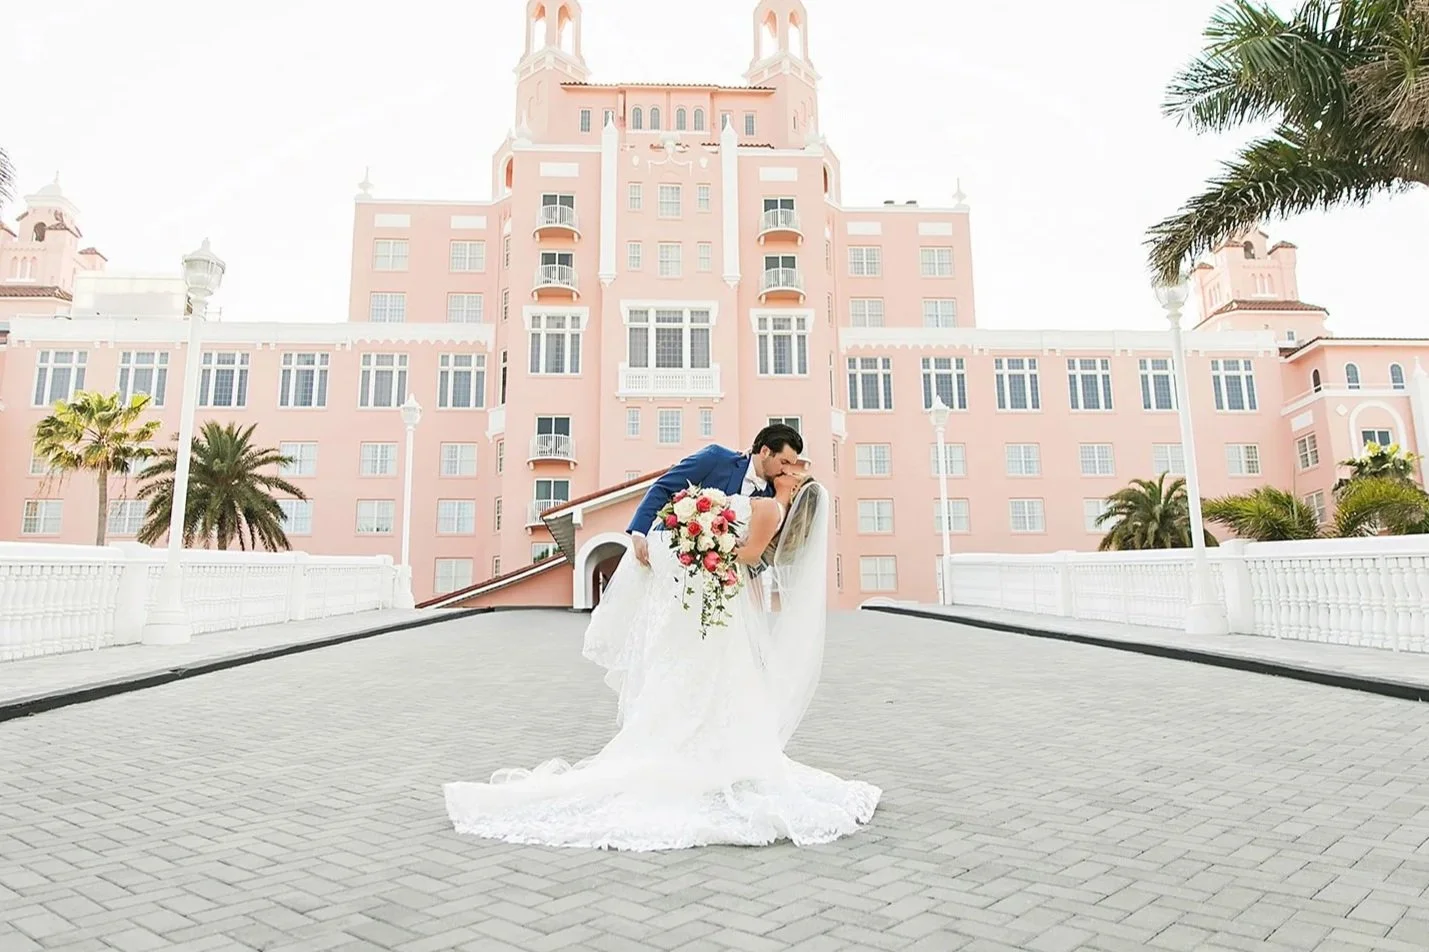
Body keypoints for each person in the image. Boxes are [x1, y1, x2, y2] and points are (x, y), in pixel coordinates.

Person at [444, 471, 881, 851]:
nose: (788, 468)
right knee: (709, 679)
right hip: (719, 603)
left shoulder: (770, 507)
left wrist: (704, 544)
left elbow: (746, 557)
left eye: (792, 468)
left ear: (796, 486)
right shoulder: (768, 504)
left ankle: (694, 755)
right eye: (787, 461)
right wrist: (702, 536)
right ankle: (709, 755)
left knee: (704, 678)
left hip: (717, 599)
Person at [625, 423, 803, 568]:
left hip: (719, 585)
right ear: (765, 452)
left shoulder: (773, 498)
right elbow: (664, 487)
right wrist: (639, 532)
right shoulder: (716, 458)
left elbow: (761, 554)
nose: (786, 470)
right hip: (669, 556)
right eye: (784, 462)